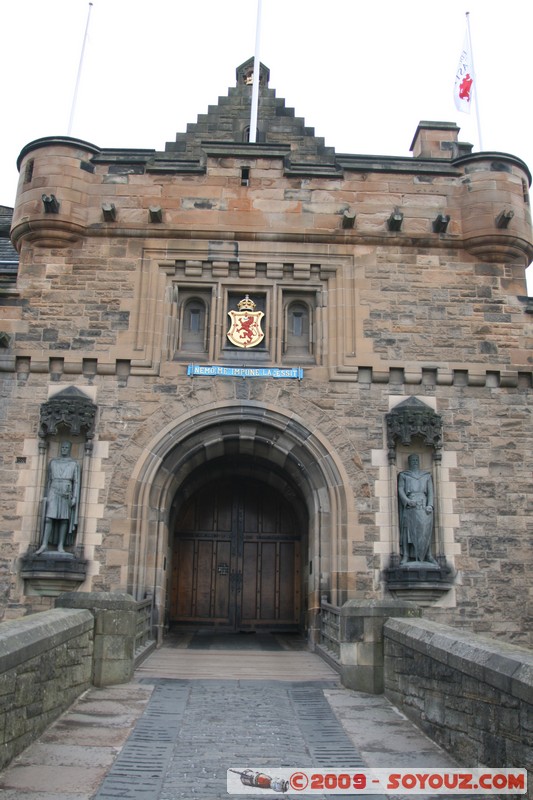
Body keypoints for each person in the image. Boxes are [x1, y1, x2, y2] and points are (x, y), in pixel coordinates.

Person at [36, 441, 80, 554]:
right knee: (48, 518)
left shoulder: (74, 464)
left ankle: (61, 545)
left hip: (66, 491)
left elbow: (76, 482)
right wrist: (46, 495)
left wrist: (74, 497)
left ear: (69, 449)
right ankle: (44, 544)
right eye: (63, 447)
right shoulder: (53, 462)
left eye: (66, 447)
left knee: (64, 520)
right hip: (54, 490)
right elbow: (48, 480)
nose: (64, 449)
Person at [398, 454, 437, 565]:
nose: (415, 461)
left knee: (425, 530)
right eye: (412, 460)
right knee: (407, 531)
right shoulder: (404, 475)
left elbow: (430, 492)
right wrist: (407, 501)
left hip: (423, 506)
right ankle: (405, 555)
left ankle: (428, 555)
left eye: (416, 460)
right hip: (410, 505)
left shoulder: (426, 475)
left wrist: (430, 505)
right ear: (409, 462)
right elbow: (400, 489)